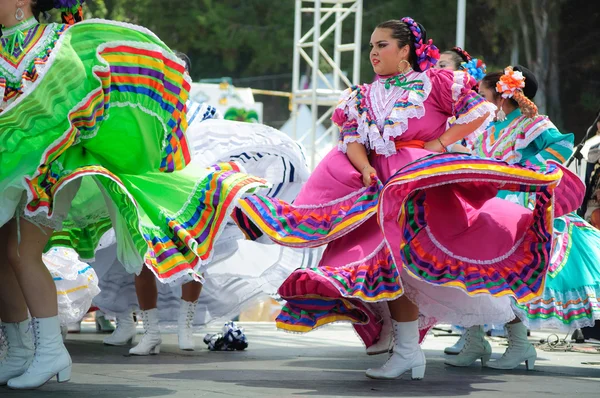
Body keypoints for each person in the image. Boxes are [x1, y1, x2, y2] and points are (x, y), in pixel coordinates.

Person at [233, 17, 583, 380]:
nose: (373, 52)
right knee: (382, 269)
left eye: (381, 44)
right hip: (376, 189)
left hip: (418, 187)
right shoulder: (361, 95)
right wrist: (365, 166)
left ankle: (414, 350)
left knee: (406, 262)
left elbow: (479, 112)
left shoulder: (434, 83)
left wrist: (440, 143)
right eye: (371, 46)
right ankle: (406, 350)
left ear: (405, 50)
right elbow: (352, 139)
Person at [0, 0, 266, 390]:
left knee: (21, 252)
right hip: (12, 167)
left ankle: (50, 351)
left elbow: (79, 101)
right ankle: (21, 351)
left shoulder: (56, 43)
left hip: (58, 164)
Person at [445, 66, 600, 370]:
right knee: (471, 272)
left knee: (501, 275)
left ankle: (519, 344)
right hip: (481, 205)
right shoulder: (487, 126)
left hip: (515, 208)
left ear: (503, 93)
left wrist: (526, 170)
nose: (480, 97)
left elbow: (561, 147)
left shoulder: (532, 123)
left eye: (483, 92)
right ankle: (475, 339)